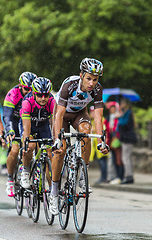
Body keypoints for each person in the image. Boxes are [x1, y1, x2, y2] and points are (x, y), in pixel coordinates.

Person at [51, 57, 109, 215]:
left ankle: (83, 176)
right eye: (89, 78)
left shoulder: (97, 89)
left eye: (95, 80)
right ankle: (54, 193)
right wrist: (58, 139)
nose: (91, 83)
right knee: (60, 151)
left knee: (86, 133)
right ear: (81, 75)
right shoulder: (69, 85)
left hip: (79, 114)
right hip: (62, 114)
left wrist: (102, 140)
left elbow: (98, 117)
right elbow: (59, 115)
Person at [3, 71, 37, 197]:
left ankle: (29, 169)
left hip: (29, 121)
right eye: (26, 89)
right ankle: (10, 179)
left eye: (31, 89)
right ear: (20, 85)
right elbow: (7, 116)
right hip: (15, 121)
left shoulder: (37, 95)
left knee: (32, 146)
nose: (29, 92)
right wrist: (9, 131)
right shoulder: (13, 94)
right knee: (15, 150)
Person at [19, 77, 55, 192]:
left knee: (50, 154)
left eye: (46, 95)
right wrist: (25, 143)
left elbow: (55, 123)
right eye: (40, 95)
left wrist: (56, 138)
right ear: (34, 93)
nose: (43, 98)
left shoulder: (52, 101)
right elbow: (26, 127)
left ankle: (53, 190)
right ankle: (25, 170)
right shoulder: (27, 101)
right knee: (30, 146)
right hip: (29, 125)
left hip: (43, 126)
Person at [116, 98, 137, 184]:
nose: (120, 105)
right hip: (125, 138)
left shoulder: (128, 113)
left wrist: (119, 118)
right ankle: (128, 175)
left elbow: (124, 124)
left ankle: (128, 176)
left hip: (127, 138)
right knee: (126, 158)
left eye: (121, 104)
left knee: (126, 158)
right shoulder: (125, 113)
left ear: (125, 104)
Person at [104, 103, 123, 184]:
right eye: (111, 108)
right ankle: (112, 176)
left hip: (117, 139)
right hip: (110, 140)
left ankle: (120, 176)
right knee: (112, 159)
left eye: (114, 108)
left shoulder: (119, 116)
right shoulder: (107, 118)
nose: (112, 109)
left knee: (119, 159)